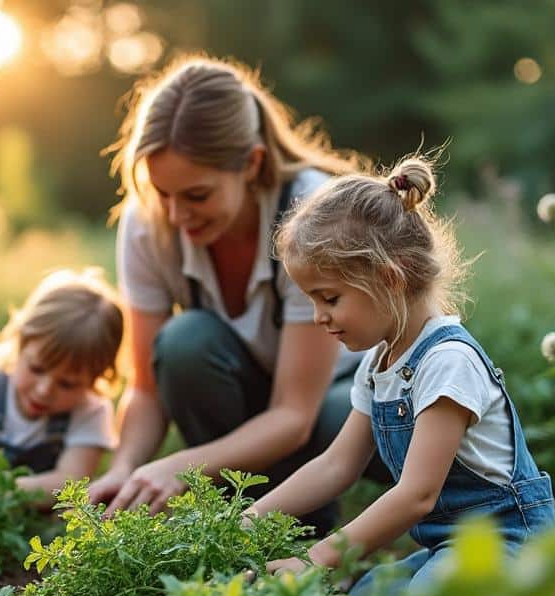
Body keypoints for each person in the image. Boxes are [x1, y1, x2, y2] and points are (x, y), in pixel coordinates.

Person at [88, 55, 387, 536]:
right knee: (185, 345)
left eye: (197, 196)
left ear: (251, 164)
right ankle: (238, 523)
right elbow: (145, 389)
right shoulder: (148, 223)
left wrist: (181, 467)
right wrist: (124, 467)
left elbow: (294, 415)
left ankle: (303, 525)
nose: (177, 213)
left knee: (349, 418)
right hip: (246, 399)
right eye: (163, 193)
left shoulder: (309, 214)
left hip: (326, 404)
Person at [251, 158, 555, 596]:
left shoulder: (448, 361)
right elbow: (337, 465)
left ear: (389, 279)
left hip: (506, 544)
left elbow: (417, 495)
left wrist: (316, 560)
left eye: (329, 298)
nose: (318, 317)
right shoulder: (380, 361)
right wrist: (250, 518)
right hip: (448, 548)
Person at [0, 269, 123, 507]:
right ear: (20, 341)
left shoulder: (92, 411)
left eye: (67, 384)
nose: (44, 390)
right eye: (36, 369)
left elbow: (68, 486)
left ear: (97, 378)